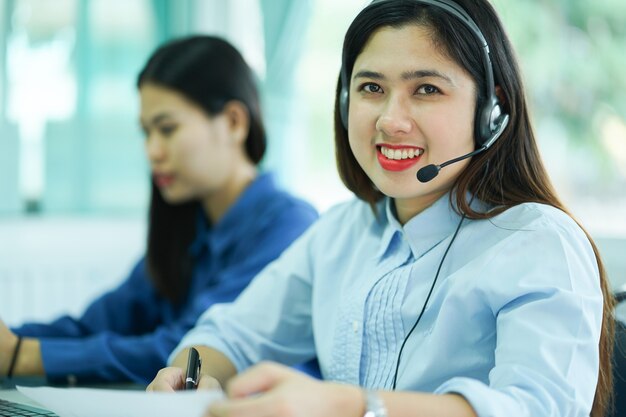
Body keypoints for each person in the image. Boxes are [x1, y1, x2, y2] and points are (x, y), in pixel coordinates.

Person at [147, 1, 614, 416]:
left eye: (427, 89)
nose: (390, 120)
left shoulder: (538, 243)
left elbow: (534, 408)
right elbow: (231, 337)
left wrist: (354, 407)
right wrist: (191, 377)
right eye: (371, 88)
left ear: (491, 112)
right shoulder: (343, 234)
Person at [0, 35, 318, 385]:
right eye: (146, 133)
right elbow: (97, 324)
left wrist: (23, 355)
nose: (152, 151)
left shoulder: (290, 227)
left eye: (167, 129)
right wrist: (11, 341)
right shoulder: (188, 225)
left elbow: (187, 352)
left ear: (233, 122)